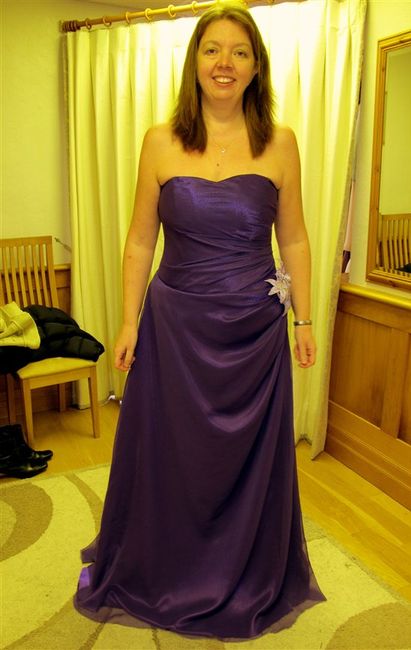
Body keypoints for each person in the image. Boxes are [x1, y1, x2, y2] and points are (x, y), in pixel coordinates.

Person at [74, 1, 325, 640]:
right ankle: (167, 564)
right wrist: (127, 322)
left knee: (242, 460)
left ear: (256, 66)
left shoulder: (280, 143)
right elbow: (139, 240)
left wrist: (304, 319)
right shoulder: (160, 141)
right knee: (172, 454)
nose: (224, 63)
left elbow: (294, 238)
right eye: (212, 49)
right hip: (174, 331)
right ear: (195, 61)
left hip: (253, 335)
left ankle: (244, 570)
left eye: (240, 51)